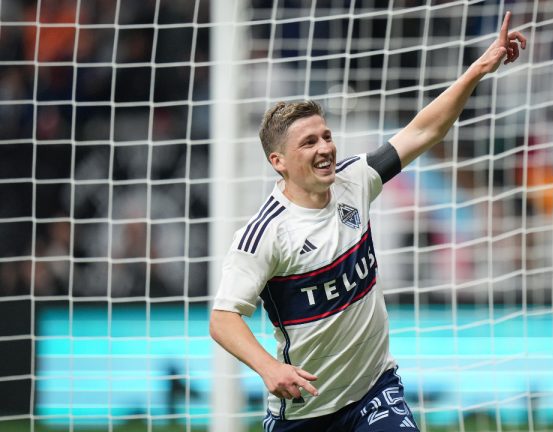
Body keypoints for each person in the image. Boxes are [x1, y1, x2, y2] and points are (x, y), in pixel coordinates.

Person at [209, 11, 526, 431]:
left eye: (326, 136)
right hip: (307, 409)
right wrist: (269, 368)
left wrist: (477, 70)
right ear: (278, 162)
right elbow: (223, 318)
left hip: (375, 390)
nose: (325, 148)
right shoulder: (265, 234)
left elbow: (422, 132)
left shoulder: (355, 179)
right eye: (309, 142)